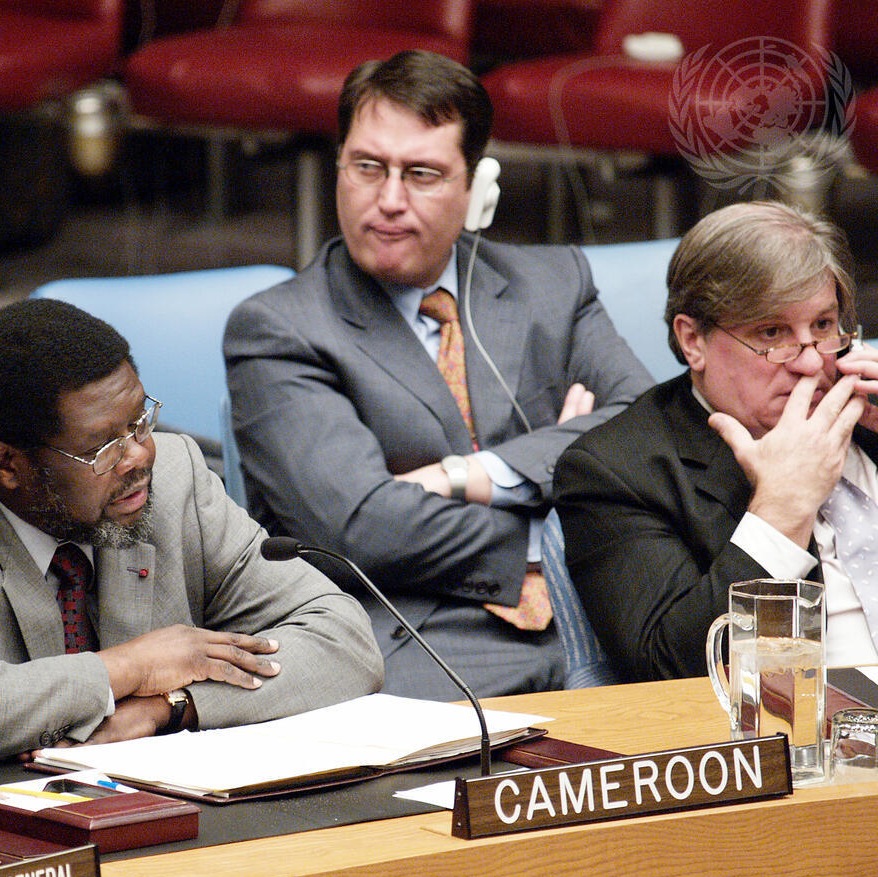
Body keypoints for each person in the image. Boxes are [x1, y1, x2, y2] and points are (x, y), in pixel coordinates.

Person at [223, 50, 652, 700]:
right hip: (424, 638)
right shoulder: (280, 328)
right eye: (368, 167)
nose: (389, 201)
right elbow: (360, 528)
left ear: (476, 187)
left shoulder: (553, 283)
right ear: (339, 167)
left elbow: (645, 427)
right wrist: (561, 518)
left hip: (603, 614)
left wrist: (465, 476)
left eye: (421, 174)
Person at [0, 298, 382, 780]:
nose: (139, 456)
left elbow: (344, 642)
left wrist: (169, 707)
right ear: (5, 464)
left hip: (137, 822)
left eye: (140, 422)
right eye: (102, 447)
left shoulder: (175, 481)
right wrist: (126, 669)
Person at [555, 200, 878, 681]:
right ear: (693, 341)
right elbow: (665, 669)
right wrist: (781, 512)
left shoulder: (869, 413)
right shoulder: (616, 470)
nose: (812, 363)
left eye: (823, 326)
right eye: (772, 333)